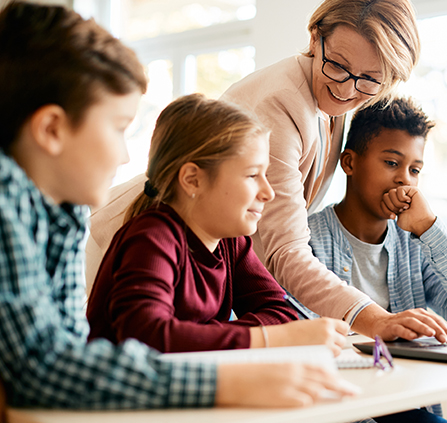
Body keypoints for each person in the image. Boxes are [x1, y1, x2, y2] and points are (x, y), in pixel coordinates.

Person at [0, 0, 356, 410]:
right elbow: (44, 370)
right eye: (118, 129)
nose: (125, 158)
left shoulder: (64, 211)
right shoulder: (9, 207)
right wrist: (230, 379)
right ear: (51, 129)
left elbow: (65, 356)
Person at [86, 0, 447, 345]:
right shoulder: (280, 105)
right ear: (315, 39)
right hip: (156, 248)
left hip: (206, 247)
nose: (345, 89)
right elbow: (285, 251)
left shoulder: (236, 243)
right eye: (337, 66)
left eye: (368, 79)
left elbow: (276, 307)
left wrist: (268, 334)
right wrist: (373, 319)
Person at [87, 94, 349, 356]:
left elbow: (282, 313)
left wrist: (199, 335)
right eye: (252, 175)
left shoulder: (230, 241)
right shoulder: (152, 238)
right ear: (192, 180)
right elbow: (147, 338)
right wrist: (267, 337)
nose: (268, 192)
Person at [306, 98, 447, 423]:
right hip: (341, 408)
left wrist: (429, 228)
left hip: (408, 405)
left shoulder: (415, 243)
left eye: (415, 170)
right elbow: (305, 341)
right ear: (349, 162)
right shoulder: (306, 240)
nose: (405, 179)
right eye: (392, 163)